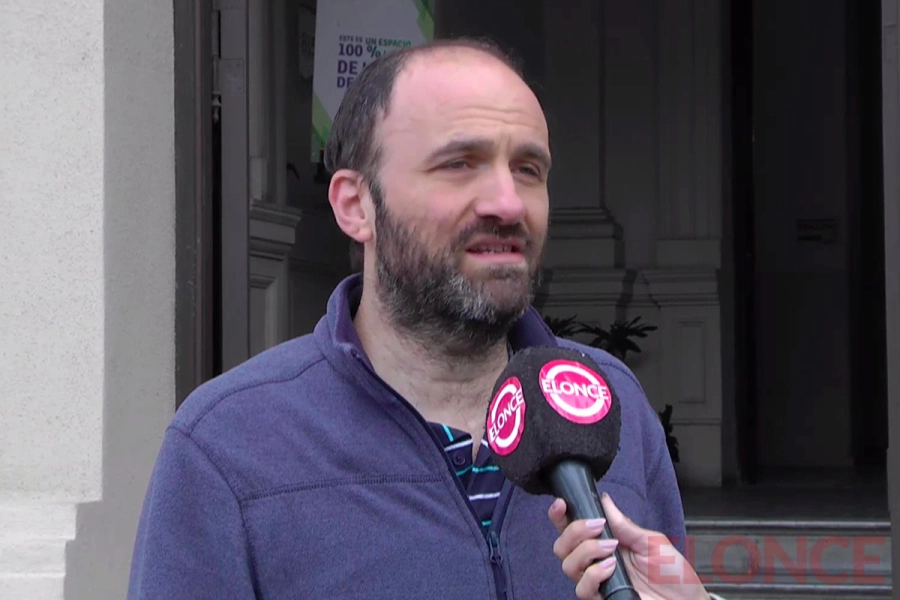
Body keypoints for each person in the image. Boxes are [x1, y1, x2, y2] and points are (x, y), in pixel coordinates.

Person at [127, 37, 720, 600]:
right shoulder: (227, 444)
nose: (508, 203)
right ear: (356, 206)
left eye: (528, 169)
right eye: (460, 164)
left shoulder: (609, 399)